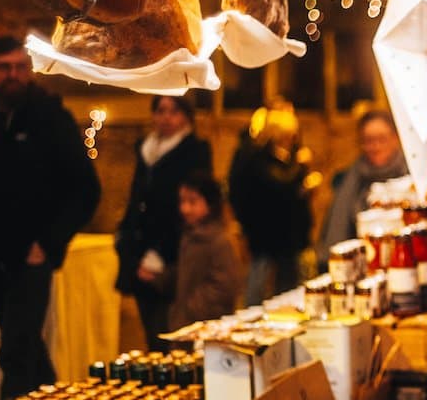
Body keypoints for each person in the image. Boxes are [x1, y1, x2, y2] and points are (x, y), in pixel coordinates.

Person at [0, 36, 100, 399]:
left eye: (20, 67)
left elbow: (85, 189)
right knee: (27, 347)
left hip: (30, 256)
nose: (14, 75)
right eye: (5, 68)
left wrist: (49, 243)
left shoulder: (51, 118)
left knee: (16, 349)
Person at [114, 94, 212, 350]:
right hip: (139, 250)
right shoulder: (146, 150)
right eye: (160, 111)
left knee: (169, 333)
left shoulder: (194, 152)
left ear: (186, 116)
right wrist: (124, 237)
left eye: (174, 111)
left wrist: (160, 254)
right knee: (150, 331)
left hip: (171, 255)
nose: (166, 118)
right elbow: (137, 199)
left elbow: (190, 209)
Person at [227, 100, 316, 305]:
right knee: (258, 286)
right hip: (266, 235)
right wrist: (301, 168)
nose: (291, 137)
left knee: (287, 285)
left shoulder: (287, 157)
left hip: (289, 235)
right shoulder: (258, 158)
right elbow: (279, 185)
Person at [318, 108, 408, 258]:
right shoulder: (350, 181)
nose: (376, 146)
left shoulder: (409, 176)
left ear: (395, 139)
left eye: (382, 139)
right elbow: (337, 232)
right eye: (368, 141)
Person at [167, 169, 242, 331]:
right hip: (185, 324)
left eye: (193, 202)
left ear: (210, 203)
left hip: (205, 328)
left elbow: (224, 287)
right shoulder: (189, 235)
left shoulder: (220, 241)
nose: (185, 209)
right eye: (182, 201)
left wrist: (191, 308)